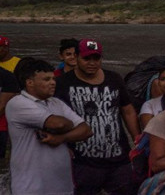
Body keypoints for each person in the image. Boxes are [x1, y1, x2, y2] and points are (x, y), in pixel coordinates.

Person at [54, 39, 141, 195]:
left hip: (118, 157)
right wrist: (63, 145)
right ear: (76, 57)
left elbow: (127, 110)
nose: (92, 63)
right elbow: (53, 117)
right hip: (82, 159)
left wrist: (137, 140)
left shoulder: (114, 78)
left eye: (96, 58)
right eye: (87, 58)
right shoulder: (62, 83)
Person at [6, 59, 93, 195]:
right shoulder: (18, 103)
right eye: (46, 79)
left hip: (62, 187)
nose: (53, 82)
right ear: (30, 82)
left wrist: (61, 137)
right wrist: (69, 125)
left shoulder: (56, 103)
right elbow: (58, 124)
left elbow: (86, 130)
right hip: (30, 187)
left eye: (53, 78)